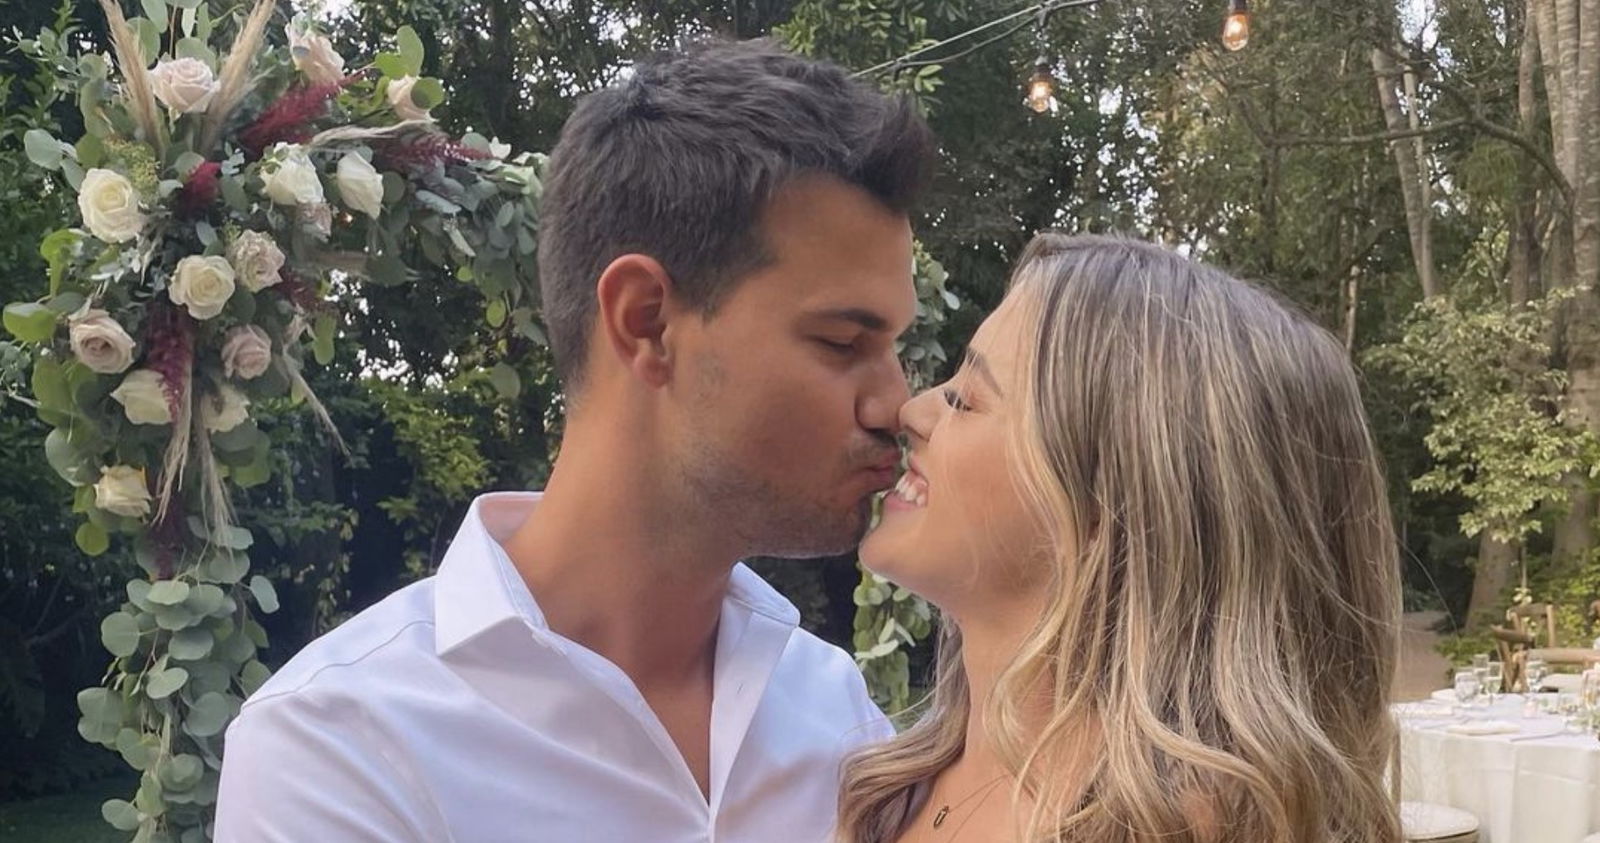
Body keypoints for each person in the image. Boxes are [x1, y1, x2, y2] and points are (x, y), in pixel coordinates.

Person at [215, 38, 936, 842]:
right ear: (646, 321)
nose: (897, 404)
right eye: (843, 341)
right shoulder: (341, 747)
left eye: (894, 347)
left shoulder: (836, 711)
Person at [840, 234, 1403, 843]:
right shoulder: (886, 790)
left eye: (966, 400)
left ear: (1112, 507)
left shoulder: (1181, 831)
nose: (912, 412)